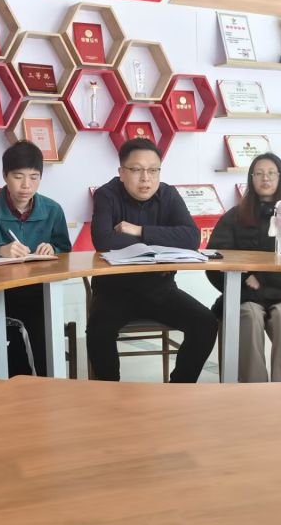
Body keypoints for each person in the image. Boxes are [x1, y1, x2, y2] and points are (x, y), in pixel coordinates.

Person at [87, 137, 218, 382]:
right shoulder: (106, 195)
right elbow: (104, 240)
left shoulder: (168, 194)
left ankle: (178, 387)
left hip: (160, 289)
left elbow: (191, 238)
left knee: (205, 323)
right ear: (122, 173)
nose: (146, 178)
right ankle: (110, 394)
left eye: (153, 170)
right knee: (98, 331)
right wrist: (161, 245)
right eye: (137, 170)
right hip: (114, 290)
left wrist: (138, 231)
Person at [206, 153, 281, 382]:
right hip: (248, 294)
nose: (265, 178)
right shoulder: (235, 216)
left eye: (271, 173)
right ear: (251, 179)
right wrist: (243, 280)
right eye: (258, 173)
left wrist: (263, 278)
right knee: (249, 314)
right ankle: (254, 389)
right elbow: (215, 259)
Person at [0, 140, 72, 376]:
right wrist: (0, 249)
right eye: (18, 176)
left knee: (37, 326)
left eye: (34, 177)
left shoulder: (52, 210)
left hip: (38, 294)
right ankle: (42, 386)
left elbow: (65, 250)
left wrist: (52, 249)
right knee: (31, 328)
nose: (26, 185)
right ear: (5, 175)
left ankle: (32, 387)